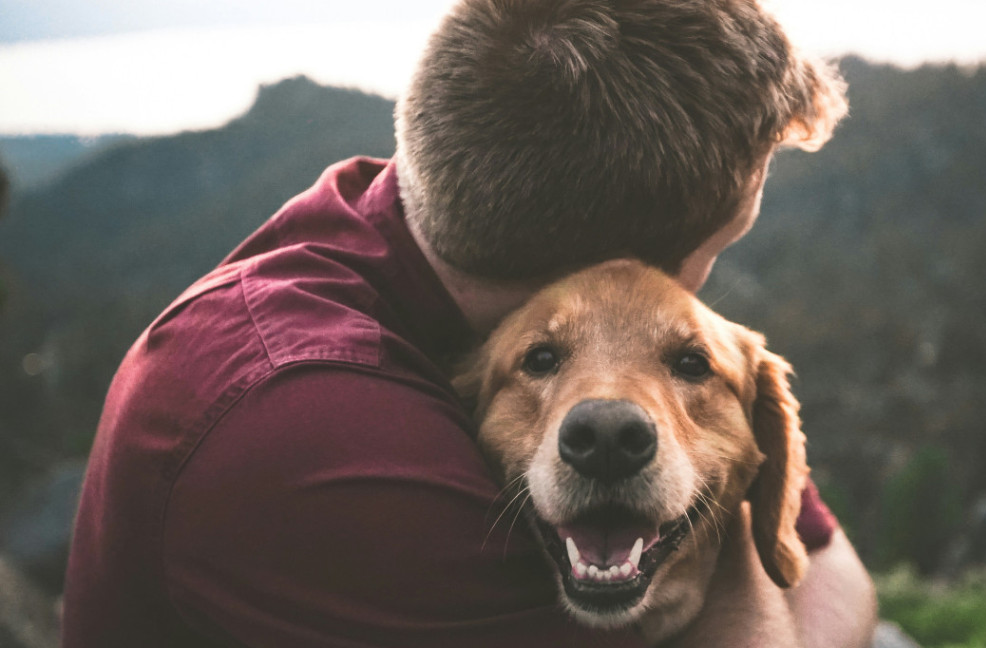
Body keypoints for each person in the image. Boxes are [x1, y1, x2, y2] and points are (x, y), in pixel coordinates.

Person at [62, 0, 875, 646]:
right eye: (721, 245)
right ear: (614, 266)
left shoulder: (422, 223)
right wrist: (723, 516)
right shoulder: (308, 430)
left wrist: (724, 494)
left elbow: (835, 570)